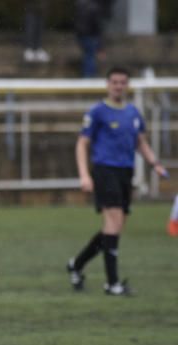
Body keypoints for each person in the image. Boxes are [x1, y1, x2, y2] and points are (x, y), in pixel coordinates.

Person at [67, 67, 168, 296]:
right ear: (107, 84)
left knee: (113, 229)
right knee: (113, 224)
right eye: (114, 82)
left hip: (125, 172)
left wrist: (155, 164)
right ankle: (112, 284)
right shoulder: (97, 112)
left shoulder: (133, 112)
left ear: (128, 85)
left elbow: (140, 142)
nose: (119, 86)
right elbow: (82, 143)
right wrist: (84, 174)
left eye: (123, 82)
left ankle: (76, 264)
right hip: (105, 171)